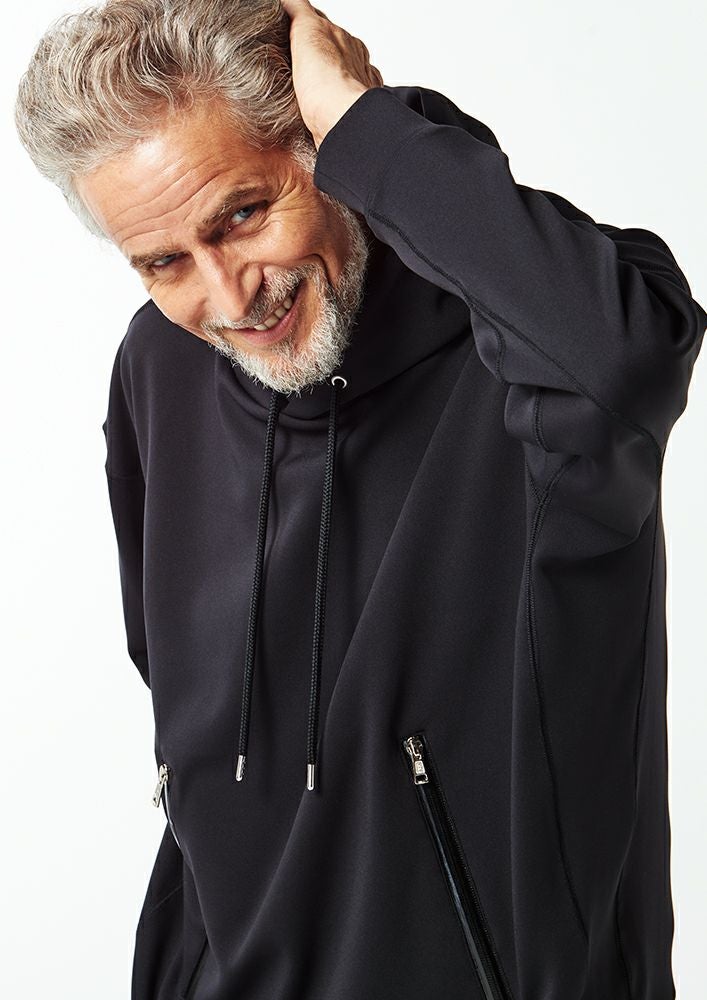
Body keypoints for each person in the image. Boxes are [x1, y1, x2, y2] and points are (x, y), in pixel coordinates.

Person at [15, 0, 706, 997]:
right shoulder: (158, 367)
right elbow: (180, 705)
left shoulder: (524, 353)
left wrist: (374, 127)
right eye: (164, 262)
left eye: (242, 214)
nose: (228, 298)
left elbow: (621, 357)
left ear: (321, 153)